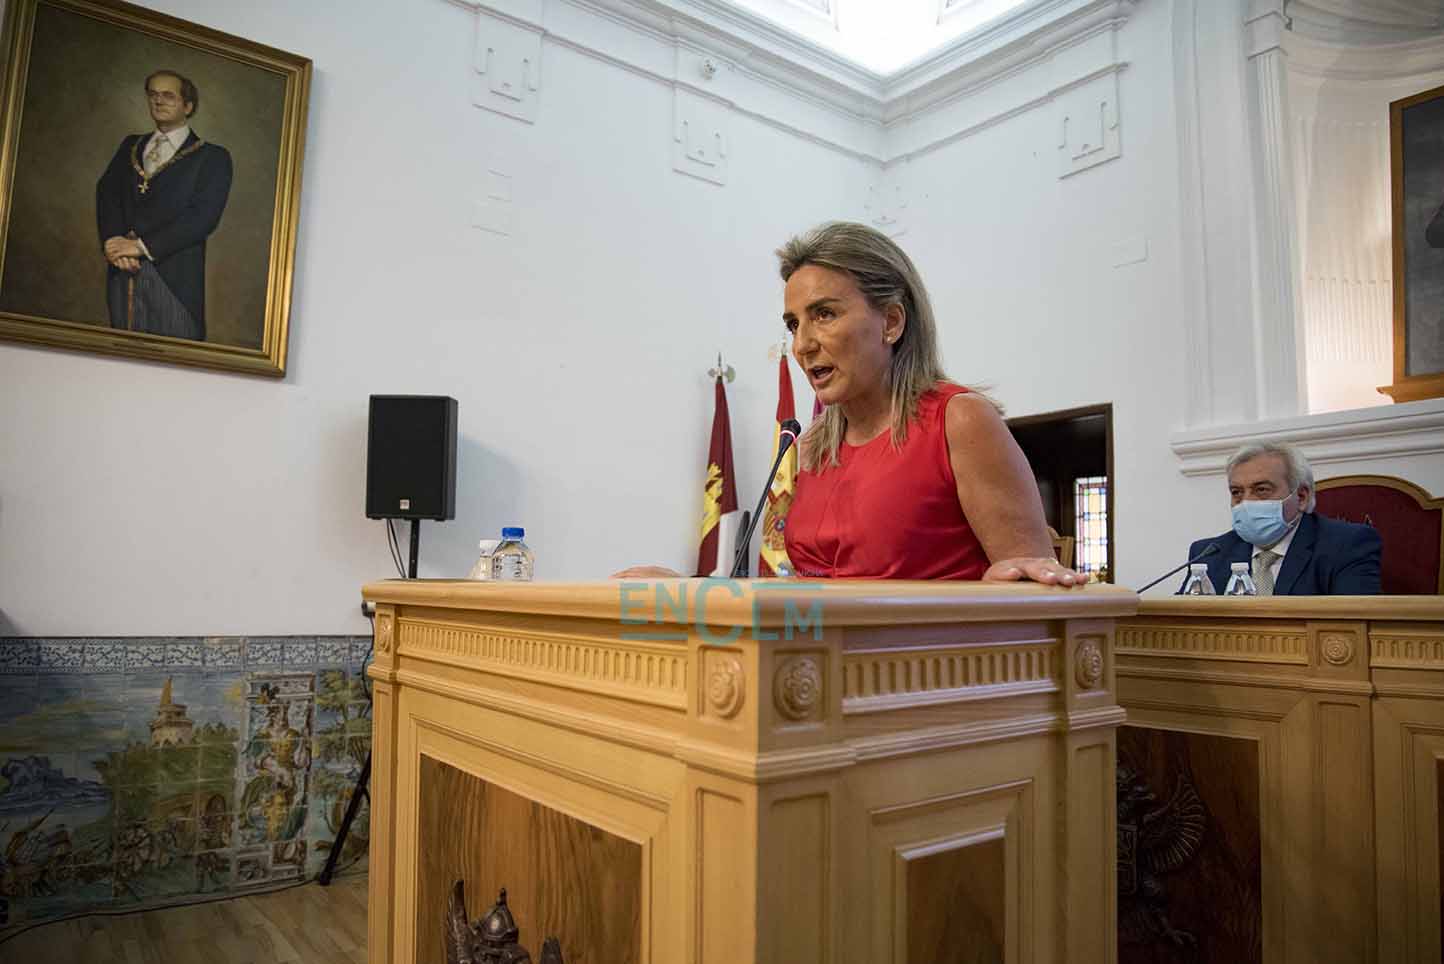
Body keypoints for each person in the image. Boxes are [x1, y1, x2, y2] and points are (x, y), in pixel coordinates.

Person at [616, 221, 1081, 586]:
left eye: (824, 314)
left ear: (892, 322)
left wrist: (1006, 587)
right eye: (793, 324)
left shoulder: (959, 419)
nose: (802, 344)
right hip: (826, 671)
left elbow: (1032, 590)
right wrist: (694, 591)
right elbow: (814, 594)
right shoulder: (813, 445)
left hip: (928, 674)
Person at [95, 69, 233, 341]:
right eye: (153, 95)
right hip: (123, 269)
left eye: (168, 96)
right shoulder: (130, 145)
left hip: (174, 277)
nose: (158, 101)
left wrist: (140, 247)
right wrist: (114, 243)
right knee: (120, 352)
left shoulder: (212, 157)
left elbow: (202, 218)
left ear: (188, 106)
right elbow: (107, 194)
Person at [1183, 441, 1381, 595]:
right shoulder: (1208, 555)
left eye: (1261, 490)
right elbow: (1183, 625)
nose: (1246, 502)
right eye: (1236, 492)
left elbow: (1354, 624)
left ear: (1301, 497)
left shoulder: (1347, 546)